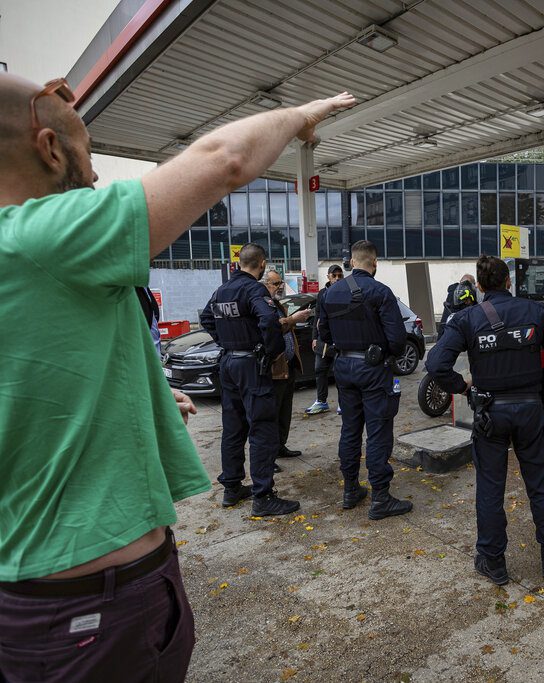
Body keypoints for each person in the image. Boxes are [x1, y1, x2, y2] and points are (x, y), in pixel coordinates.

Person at [0, 72, 355, 682]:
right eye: (86, 149)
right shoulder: (42, 235)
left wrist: (147, 395)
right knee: (262, 433)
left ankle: (242, 483)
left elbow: (35, 383)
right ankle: (260, 488)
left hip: (31, 596)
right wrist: (298, 115)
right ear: (50, 149)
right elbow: (225, 159)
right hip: (92, 604)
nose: (96, 175)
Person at [426, 255, 544, 585]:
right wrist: (540, 382)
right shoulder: (536, 312)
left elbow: (436, 363)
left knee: (491, 489)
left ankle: (494, 562)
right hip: (530, 411)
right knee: (539, 483)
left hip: (490, 414)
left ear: (479, 286)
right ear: (509, 282)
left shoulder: (467, 319)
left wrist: (463, 387)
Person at [201, 244, 298, 515]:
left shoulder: (222, 290)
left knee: (233, 428)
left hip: (229, 363)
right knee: (263, 428)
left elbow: (206, 317)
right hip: (250, 366)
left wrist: (226, 342)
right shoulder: (254, 289)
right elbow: (268, 321)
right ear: (262, 263)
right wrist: (269, 351)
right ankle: (263, 496)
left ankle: (232, 488)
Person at [319, 240, 412, 520]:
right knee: (379, 430)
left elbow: (323, 335)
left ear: (351, 262)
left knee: (350, 429)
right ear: (374, 263)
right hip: (373, 369)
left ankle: (350, 489)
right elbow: (397, 341)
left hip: (343, 367)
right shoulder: (380, 292)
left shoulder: (329, 293)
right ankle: (380, 497)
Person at [264, 269, 314, 466]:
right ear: (266, 283)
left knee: (285, 411)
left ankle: (280, 447)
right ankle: (268, 457)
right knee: (272, 414)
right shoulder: (263, 305)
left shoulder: (276, 304)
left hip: (288, 366)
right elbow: (273, 327)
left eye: (281, 282)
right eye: (276, 284)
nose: (280, 287)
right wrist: (293, 319)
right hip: (275, 369)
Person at [305, 264, 343, 415]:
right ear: (328, 277)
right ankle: (321, 402)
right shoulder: (322, 294)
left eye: (340, 276)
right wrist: (314, 337)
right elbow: (317, 317)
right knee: (319, 370)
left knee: (339, 372)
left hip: (339, 341)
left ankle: (343, 403)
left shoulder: (346, 292)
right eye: (334, 276)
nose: (337, 278)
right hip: (323, 341)